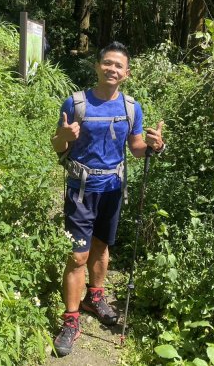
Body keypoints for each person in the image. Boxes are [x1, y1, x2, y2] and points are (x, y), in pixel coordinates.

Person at [50, 41, 164, 356]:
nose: (112, 69)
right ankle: (71, 319)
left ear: (126, 74)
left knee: (102, 249)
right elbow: (57, 145)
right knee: (77, 257)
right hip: (81, 190)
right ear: (98, 66)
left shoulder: (131, 107)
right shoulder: (75, 103)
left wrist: (155, 146)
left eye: (119, 66)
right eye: (107, 63)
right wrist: (64, 137)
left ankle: (94, 297)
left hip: (113, 189)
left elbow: (137, 148)